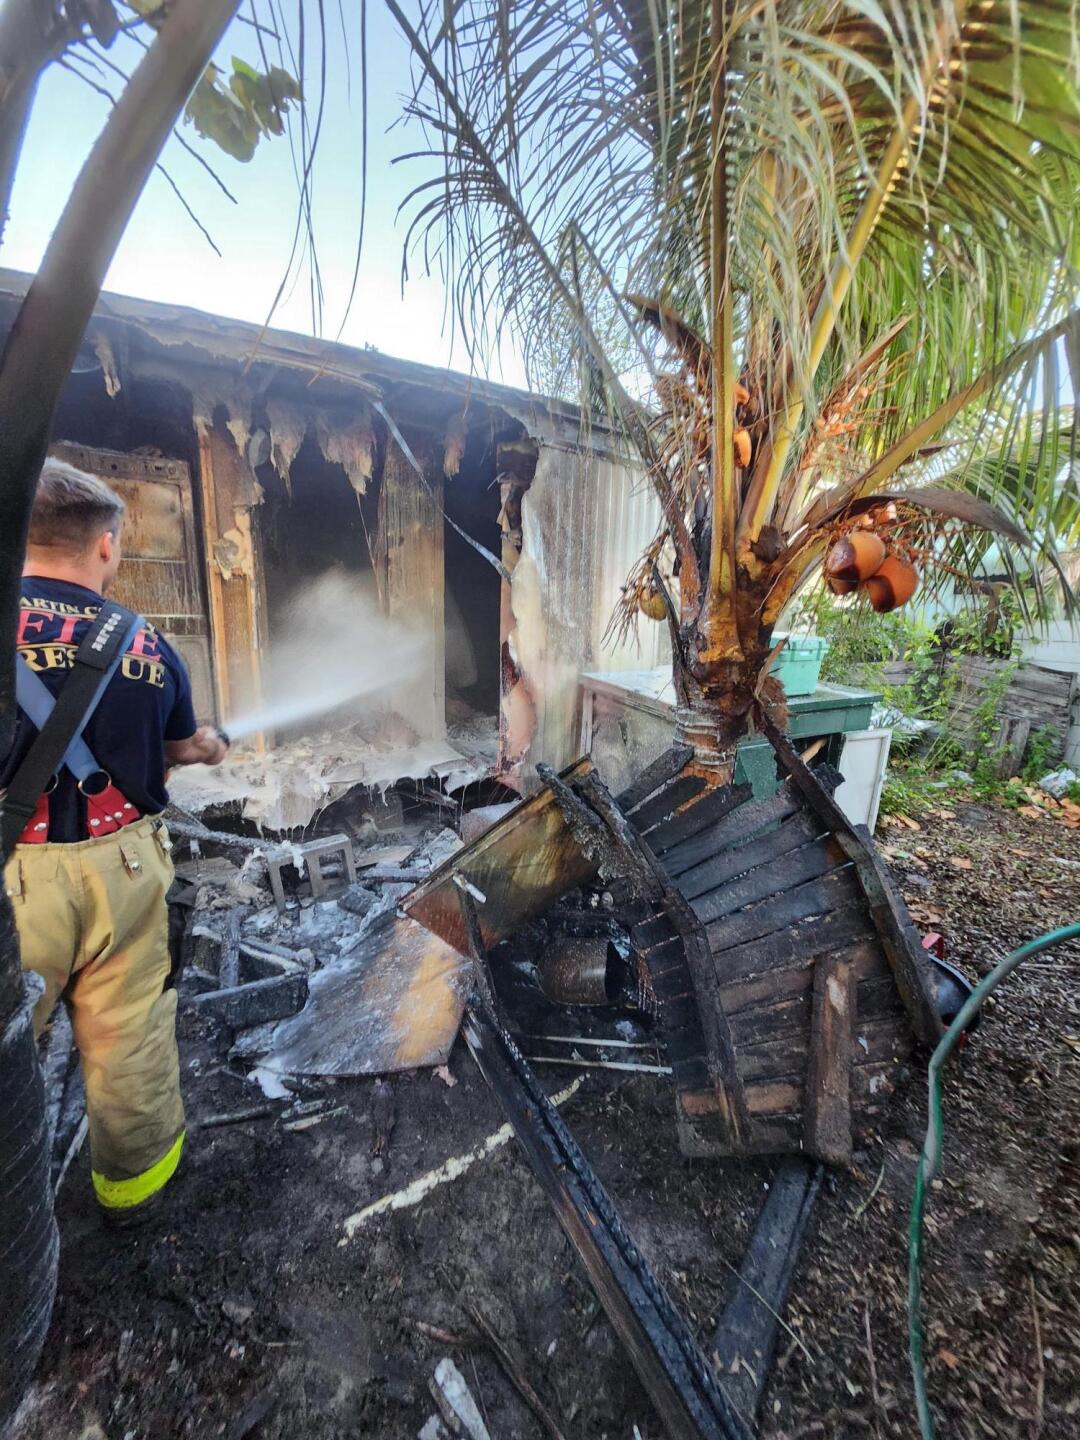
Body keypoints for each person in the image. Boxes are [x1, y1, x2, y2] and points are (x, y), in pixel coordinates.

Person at [1, 459, 228, 1223]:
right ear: (105, 546)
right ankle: (137, 1197)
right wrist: (209, 746)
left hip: (12, 885)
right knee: (130, 1038)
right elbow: (175, 749)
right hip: (126, 868)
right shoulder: (143, 643)